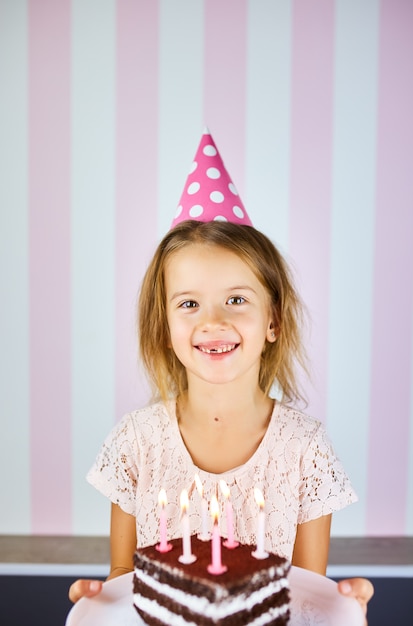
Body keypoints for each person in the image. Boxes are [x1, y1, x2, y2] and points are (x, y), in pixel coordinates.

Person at [69, 132, 374, 622]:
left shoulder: (306, 452)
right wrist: (96, 597)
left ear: (273, 319)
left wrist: (348, 605)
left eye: (237, 299)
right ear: (164, 329)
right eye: (188, 304)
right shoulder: (136, 444)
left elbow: (309, 598)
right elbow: (124, 582)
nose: (213, 321)